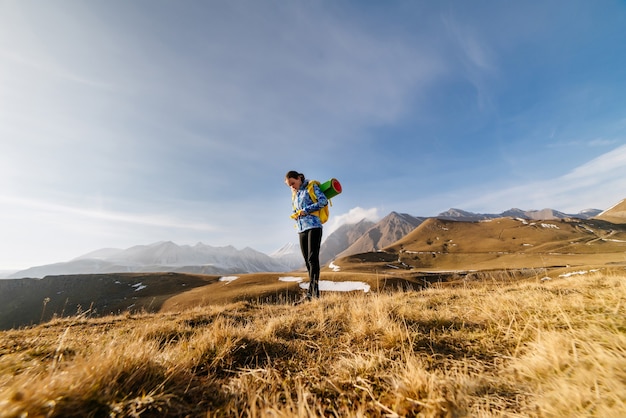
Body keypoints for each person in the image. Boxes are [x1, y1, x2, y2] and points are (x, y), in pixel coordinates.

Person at [285, 170, 329, 303]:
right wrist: (296, 214)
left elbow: (323, 201)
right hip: (301, 228)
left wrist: (306, 210)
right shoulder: (295, 194)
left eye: (293, 183)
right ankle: (313, 294)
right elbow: (295, 209)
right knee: (307, 261)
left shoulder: (311, 187)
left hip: (314, 226)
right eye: (289, 185)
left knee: (312, 259)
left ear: (299, 178)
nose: (292, 186)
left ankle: (312, 293)